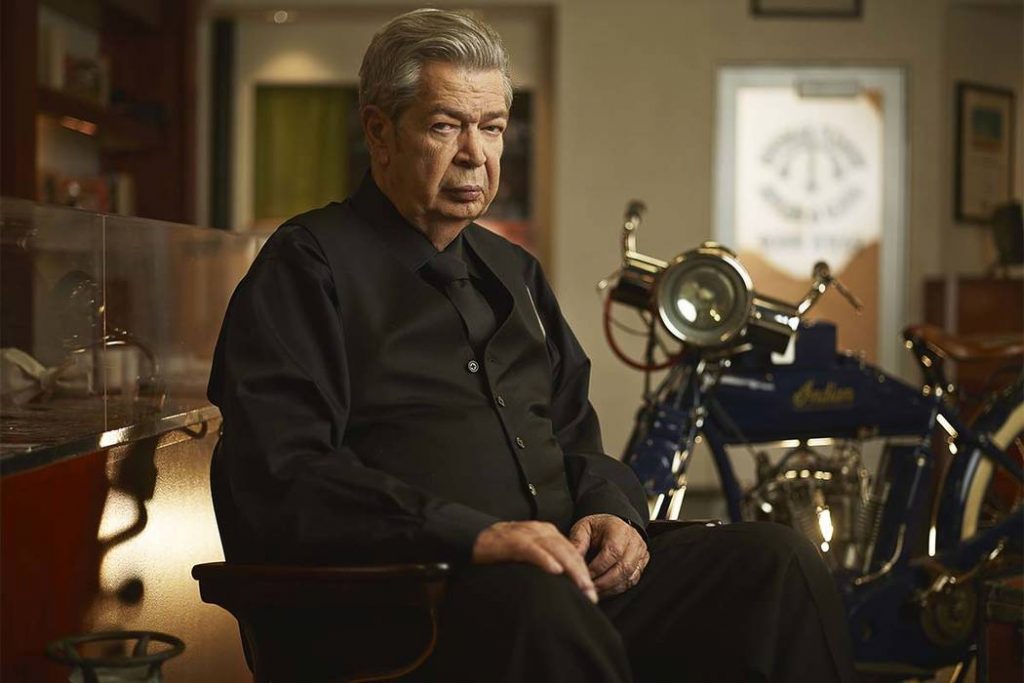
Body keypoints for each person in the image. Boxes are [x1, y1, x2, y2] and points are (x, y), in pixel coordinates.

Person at [207, 8, 856, 682]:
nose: (476, 155)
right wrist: (478, 536)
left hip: (560, 576)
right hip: (413, 601)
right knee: (536, 602)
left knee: (777, 563)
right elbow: (285, 473)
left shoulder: (514, 272)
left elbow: (576, 435)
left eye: (491, 128)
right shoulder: (307, 266)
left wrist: (611, 510)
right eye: (445, 126)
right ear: (379, 131)